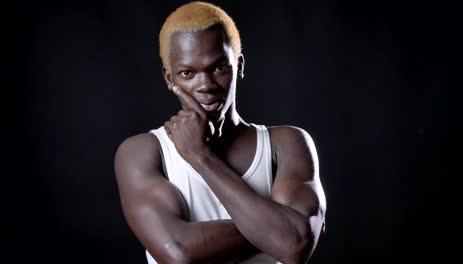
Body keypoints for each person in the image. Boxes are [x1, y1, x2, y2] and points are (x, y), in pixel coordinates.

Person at [114, 2, 326, 263]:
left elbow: (295, 246)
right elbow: (177, 252)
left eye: (219, 67)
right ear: (169, 78)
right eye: (188, 73)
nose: (205, 85)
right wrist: (275, 229)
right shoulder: (143, 152)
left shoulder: (286, 144)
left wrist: (201, 157)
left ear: (239, 65)